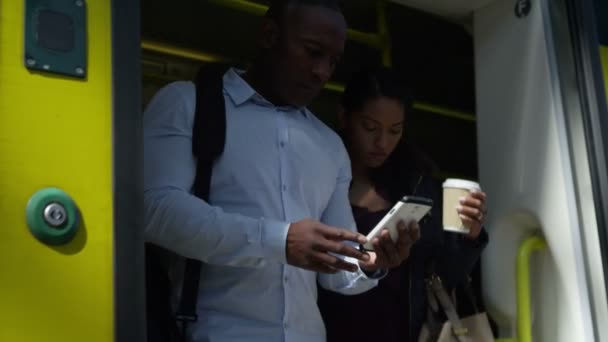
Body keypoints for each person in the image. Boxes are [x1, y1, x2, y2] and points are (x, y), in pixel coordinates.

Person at [143, 1, 419, 341]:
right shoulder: (188, 103)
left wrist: (371, 262)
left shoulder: (330, 145)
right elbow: (153, 209)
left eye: (333, 61)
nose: (322, 71)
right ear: (269, 35)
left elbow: (336, 272)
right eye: (312, 51)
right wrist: (278, 241)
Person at [318, 66, 489, 342]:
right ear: (344, 117)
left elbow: (442, 277)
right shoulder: (316, 178)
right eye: (370, 127)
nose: (382, 142)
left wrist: (470, 236)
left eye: (394, 131)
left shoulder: (417, 184)